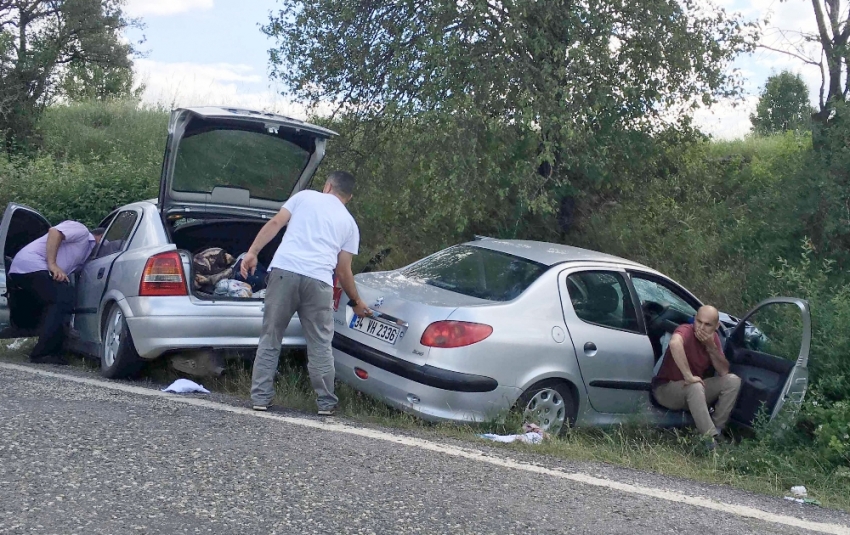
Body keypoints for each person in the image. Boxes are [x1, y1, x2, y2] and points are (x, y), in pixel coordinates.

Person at [240, 170, 371, 416]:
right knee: (320, 344)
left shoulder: (304, 197)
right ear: (349, 197)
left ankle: (260, 397)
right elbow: (343, 270)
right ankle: (326, 404)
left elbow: (276, 223)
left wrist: (253, 252)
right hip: (319, 282)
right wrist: (356, 301)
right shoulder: (350, 224)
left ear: (328, 186)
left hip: (284, 272)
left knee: (271, 336)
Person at [7, 221, 105, 364]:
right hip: (31, 264)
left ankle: (52, 350)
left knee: (60, 300)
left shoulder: (86, 252)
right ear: (100, 236)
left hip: (28, 269)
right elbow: (54, 232)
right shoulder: (82, 231)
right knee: (62, 299)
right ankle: (42, 353)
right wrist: (53, 265)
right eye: (106, 242)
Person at [652, 305, 741, 446]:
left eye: (707, 324)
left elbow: (724, 371)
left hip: (694, 392)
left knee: (733, 381)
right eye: (698, 322)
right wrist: (688, 376)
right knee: (695, 385)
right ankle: (710, 441)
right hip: (666, 389)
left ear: (716, 326)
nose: (701, 327)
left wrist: (711, 347)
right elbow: (675, 343)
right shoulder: (686, 330)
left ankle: (717, 429)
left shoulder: (714, 339)